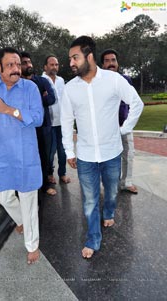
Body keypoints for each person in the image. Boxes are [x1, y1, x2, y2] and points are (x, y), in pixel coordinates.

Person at [60, 36, 144, 259]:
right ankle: (93, 238)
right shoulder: (69, 89)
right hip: (86, 155)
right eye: (70, 59)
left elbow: (137, 103)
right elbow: (67, 122)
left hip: (112, 152)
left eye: (75, 57)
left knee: (112, 191)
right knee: (88, 200)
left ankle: (109, 212)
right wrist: (69, 151)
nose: (71, 63)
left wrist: (124, 129)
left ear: (89, 56)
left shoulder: (113, 80)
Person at [0, 47, 44, 264]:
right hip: (1, 155)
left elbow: (38, 118)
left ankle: (32, 246)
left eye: (18, 64)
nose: (16, 69)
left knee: (29, 201)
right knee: (3, 196)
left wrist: (7, 110)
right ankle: (21, 220)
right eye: (10, 65)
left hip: (25, 155)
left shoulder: (29, 87)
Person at [101, 49, 138, 194]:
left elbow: (133, 102)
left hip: (124, 125)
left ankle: (126, 183)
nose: (111, 63)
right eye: (107, 61)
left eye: (113, 60)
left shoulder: (126, 80)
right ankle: (110, 184)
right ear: (102, 64)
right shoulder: (99, 82)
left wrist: (128, 122)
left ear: (117, 62)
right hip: (106, 127)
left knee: (128, 154)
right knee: (108, 157)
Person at [21, 51, 57, 196]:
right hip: (25, 127)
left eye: (29, 62)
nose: (28, 65)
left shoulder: (42, 81)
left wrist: (33, 102)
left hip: (43, 126)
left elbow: (52, 99)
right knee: (27, 157)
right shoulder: (18, 84)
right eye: (24, 63)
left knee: (44, 156)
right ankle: (29, 184)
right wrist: (39, 100)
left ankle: (45, 185)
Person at [42, 55, 70, 184]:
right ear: (45, 66)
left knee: (62, 151)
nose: (54, 67)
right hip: (49, 123)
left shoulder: (61, 80)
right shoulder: (41, 80)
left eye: (56, 64)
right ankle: (49, 174)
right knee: (50, 151)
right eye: (52, 64)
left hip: (62, 122)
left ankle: (62, 173)